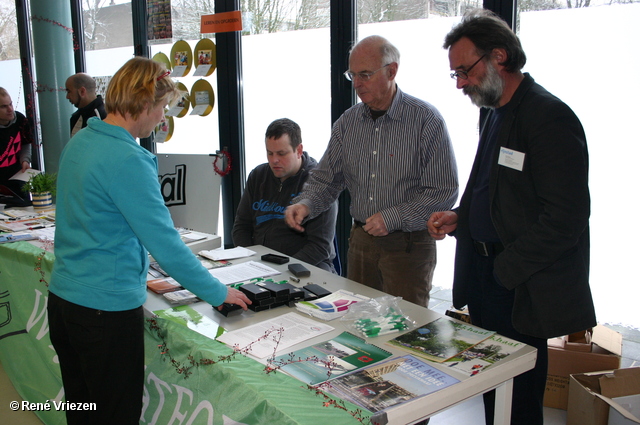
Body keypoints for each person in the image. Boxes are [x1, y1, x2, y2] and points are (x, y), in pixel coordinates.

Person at [48, 57, 251, 425]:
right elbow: (167, 246)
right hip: (103, 313)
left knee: (82, 408)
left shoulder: (80, 141)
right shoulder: (127, 159)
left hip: (64, 302)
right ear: (143, 105)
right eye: (161, 108)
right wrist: (219, 293)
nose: (162, 118)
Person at [427, 9, 596, 425]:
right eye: (456, 75)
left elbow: (566, 218)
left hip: (519, 285)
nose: (461, 83)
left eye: (464, 71)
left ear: (499, 56)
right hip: (487, 277)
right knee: (493, 390)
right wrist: (460, 218)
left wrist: (504, 270)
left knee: (518, 400)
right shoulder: (496, 112)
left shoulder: (548, 117)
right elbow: (499, 194)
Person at [284, 35, 458, 307]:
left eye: (365, 74)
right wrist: (306, 204)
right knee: (360, 323)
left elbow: (443, 190)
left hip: (408, 248)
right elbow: (327, 179)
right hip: (362, 243)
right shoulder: (347, 123)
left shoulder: (425, 120)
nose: (356, 84)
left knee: (405, 329)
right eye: (352, 75)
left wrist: (393, 217)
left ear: (392, 71)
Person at [233, 118, 338, 272]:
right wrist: (251, 261)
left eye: (282, 154)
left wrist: (283, 270)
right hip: (259, 265)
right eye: (270, 153)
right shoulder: (258, 176)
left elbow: (320, 247)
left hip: (304, 267)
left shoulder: (319, 184)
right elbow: (241, 227)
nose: (274, 160)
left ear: (299, 150)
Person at [0, 87, 32, 201]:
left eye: (10, 104)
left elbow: (26, 143)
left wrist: (25, 160)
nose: (10, 109)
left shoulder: (19, 119)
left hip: (17, 177)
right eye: (3, 106)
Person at [65, 72, 107, 136]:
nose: (67, 97)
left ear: (82, 91)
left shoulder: (104, 116)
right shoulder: (75, 117)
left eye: (69, 91)